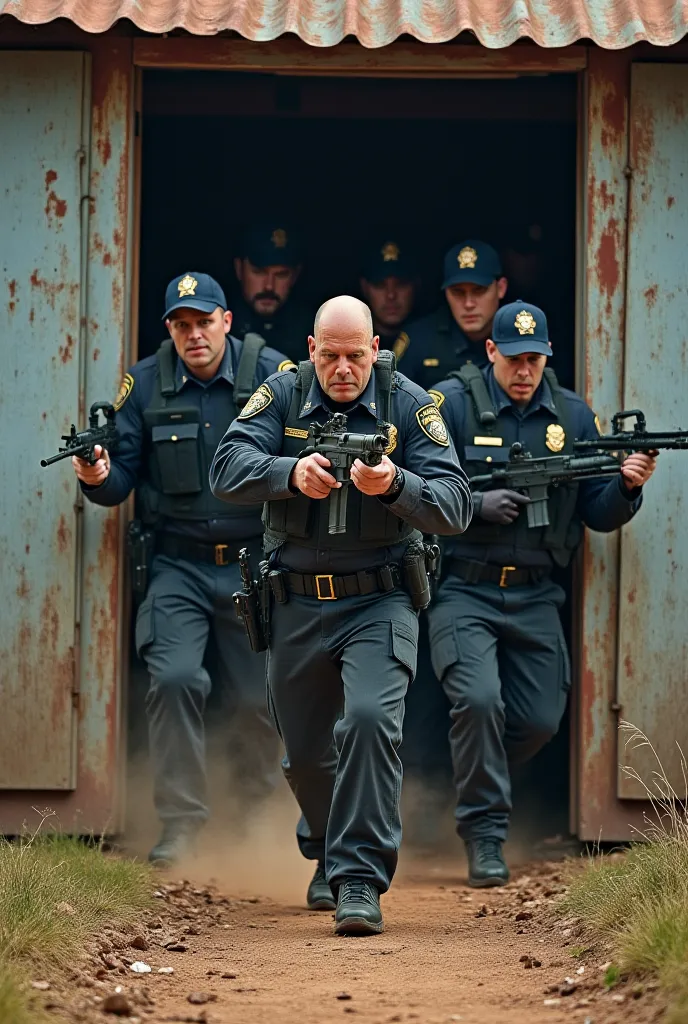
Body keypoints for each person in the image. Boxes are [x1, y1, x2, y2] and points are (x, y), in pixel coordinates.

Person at [210, 296, 472, 935]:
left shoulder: (411, 403)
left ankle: (359, 879)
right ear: (310, 348)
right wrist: (287, 472)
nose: (344, 369)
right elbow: (224, 466)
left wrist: (397, 487)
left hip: (379, 597)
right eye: (330, 356)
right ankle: (328, 846)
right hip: (296, 599)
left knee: (367, 722)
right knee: (303, 755)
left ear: (376, 349)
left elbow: (456, 504)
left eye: (357, 355)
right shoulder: (281, 394)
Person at [427, 300, 656, 887]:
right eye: (514, 359)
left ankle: (470, 777)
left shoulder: (573, 416)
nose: (525, 370)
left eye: (535, 359)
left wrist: (627, 486)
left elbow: (597, 512)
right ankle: (485, 834)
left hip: (534, 594)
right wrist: (474, 507)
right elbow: (413, 492)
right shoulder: (451, 405)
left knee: (539, 721)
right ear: (491, 352)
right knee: (478, 701)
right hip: (464, 587)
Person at [72, 272, 296, 866]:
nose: (194, 335)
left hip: (254, 563)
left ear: (227, 320)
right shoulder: (144, 384)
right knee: (173, 680)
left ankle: (257, 815)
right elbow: (121, 477)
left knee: (260, 698)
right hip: (179, 565)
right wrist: (96, 477)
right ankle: (180, 823)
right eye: (181, 325)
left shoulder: (271, 376)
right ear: (169, 329)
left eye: (204, 322)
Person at [401, 240, 507, 393]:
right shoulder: (419, 339)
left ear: (501, 288)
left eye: (479, 290)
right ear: (446, 293)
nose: (469, 303)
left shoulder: (520, 335)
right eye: (458, 292)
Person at [231, 223, 314, 365]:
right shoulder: (219, 327)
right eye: (259, 272)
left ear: (295, 275)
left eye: (281, 274)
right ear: (239, 269)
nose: (269, 286)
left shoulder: (312, 331)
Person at [358, 238, 418, 356]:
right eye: (380, 285)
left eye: (401, 284)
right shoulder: (350, 341)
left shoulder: (431, 341)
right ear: (364, 288)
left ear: (416, 285)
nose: (391, 295)